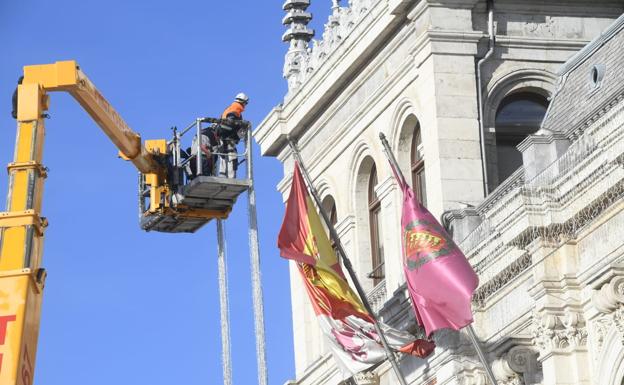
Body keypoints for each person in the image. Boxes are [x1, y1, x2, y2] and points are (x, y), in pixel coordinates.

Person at [216, 93, 249, 178]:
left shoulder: (229, 107)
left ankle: (222, 175)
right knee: (232, 156)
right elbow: (231, 121)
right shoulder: (237, 108)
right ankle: (231, 176)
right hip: (228, 136)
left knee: (223, 155)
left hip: (222, 135)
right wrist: (241, 125)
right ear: (243, 102)